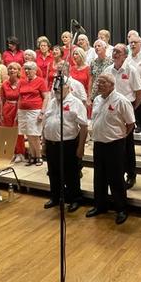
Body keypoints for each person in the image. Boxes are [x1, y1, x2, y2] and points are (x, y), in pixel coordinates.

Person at [87, 73, 135, 224]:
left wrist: (120, 137)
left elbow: (130, 123)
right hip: (99, 143)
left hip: (115, 144)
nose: (98, 85)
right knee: (99, 177)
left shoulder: (121, 100)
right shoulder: (97, 100)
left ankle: (121, 209)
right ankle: (100, 206)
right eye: (98, 82)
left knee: (116, 178)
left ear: (112, 85)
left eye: (102, 82)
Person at [42, 78, 88, 212]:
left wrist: (81, 147)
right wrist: (44, 143)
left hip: (68, 144)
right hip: (51, 144)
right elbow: (45, 124)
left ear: (67, 87)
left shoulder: (75, 103)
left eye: (59, 88)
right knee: (53, 172)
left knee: (71, 173)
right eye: (55, 89)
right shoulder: (51, 102)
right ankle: (55, 197)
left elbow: (84, 127)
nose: (56, 91)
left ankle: (75, 199)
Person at [107, 44, 141, 189]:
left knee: (127, 146)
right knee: (115, 146)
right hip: (110, 111)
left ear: (125, 55)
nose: (115, 53)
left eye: (118, 51)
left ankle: (131, 174)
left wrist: (131, 111)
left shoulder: (131, 70)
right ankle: (117, 173)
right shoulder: (107, 70)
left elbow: (139, 94)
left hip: (126, 111)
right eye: (114, 51)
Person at [18, 61, 49, 165]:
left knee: (34, 135)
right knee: (28, 134)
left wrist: (42, 112)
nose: (27, 71)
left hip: (34, 111)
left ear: (35, 70)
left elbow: (46, 97)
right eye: (25, 69)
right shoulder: (21, 81)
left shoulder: (40, 81)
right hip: (22, 111)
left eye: (29, 69)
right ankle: (32, 155)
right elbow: (19, 97)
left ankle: (38, 156)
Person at [0, 62, 26, 163]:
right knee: (9, 132)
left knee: (18, 131)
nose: (12, 70)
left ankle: (20, 153)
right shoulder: (5, 83)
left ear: (19, 71)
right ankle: (12, 152)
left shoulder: (22, 82)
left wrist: (18, 112)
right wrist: (1, 112)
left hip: (18, 108)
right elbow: (2, 99)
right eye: (10, 68)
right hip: (7, 108)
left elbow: (21, 98)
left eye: (14, 69)